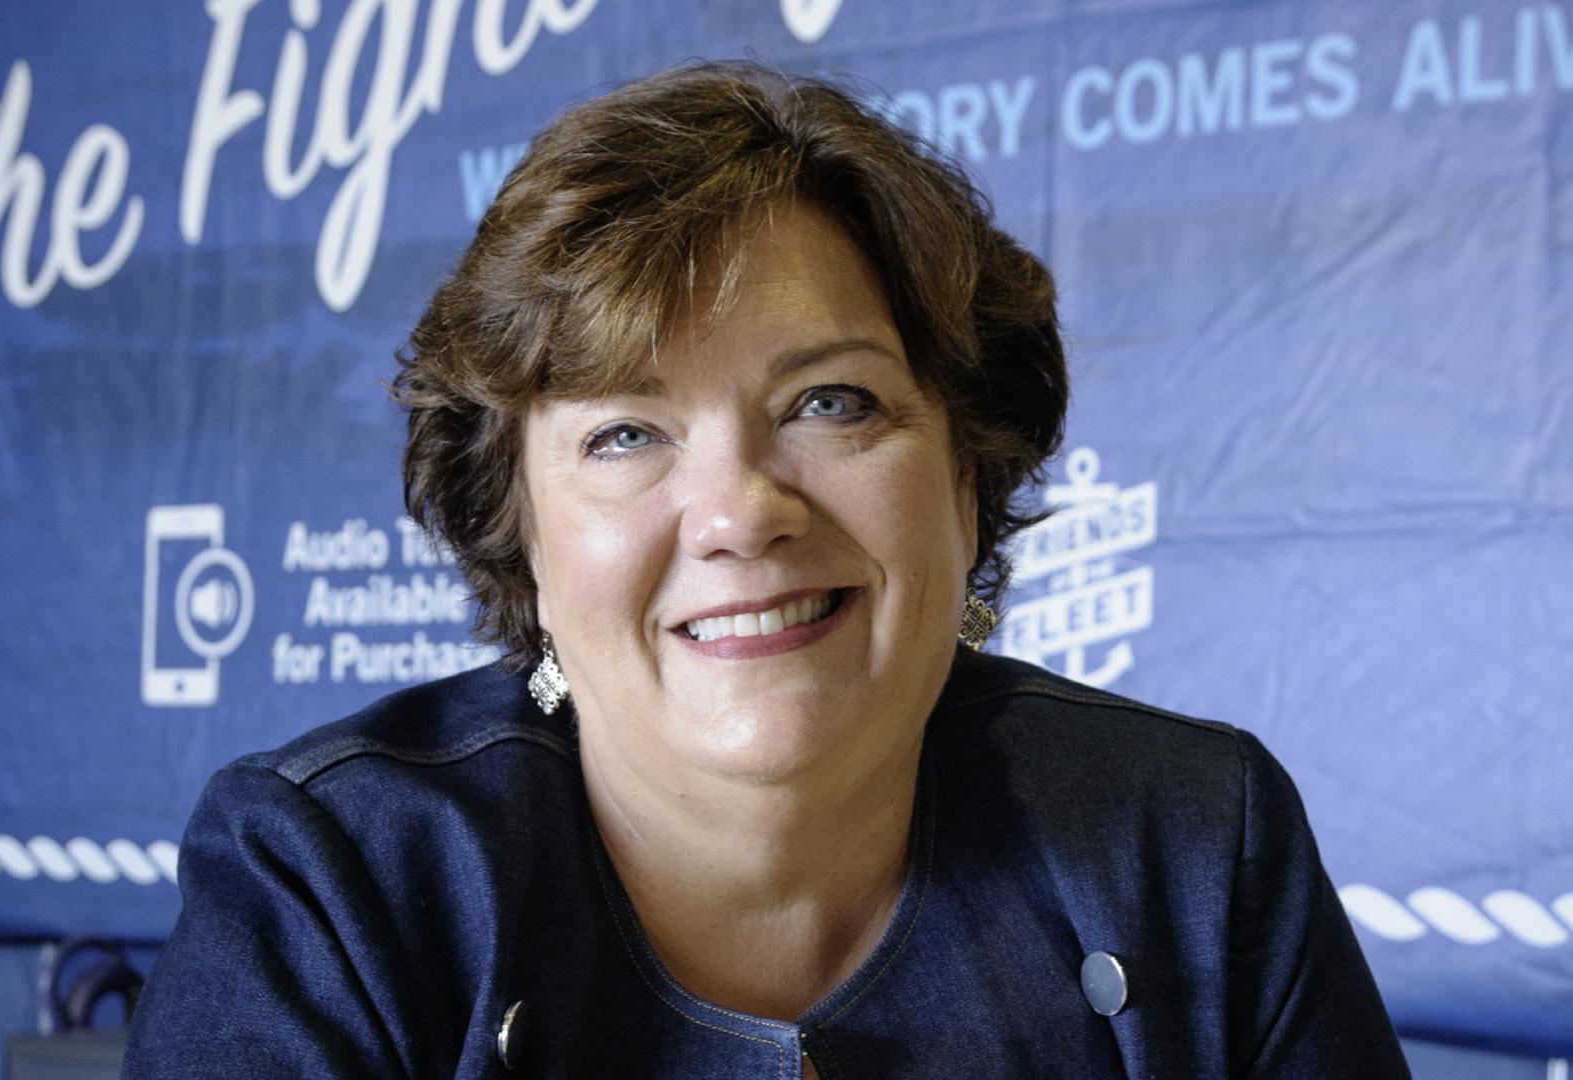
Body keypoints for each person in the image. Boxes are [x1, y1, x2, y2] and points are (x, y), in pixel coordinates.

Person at [124, 62, 1410, 1078]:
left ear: (970, 471)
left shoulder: (1195, 842)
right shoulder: (338, 883)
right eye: (626, 433)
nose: (739, 513)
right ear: (516, 527)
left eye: (832, 403)